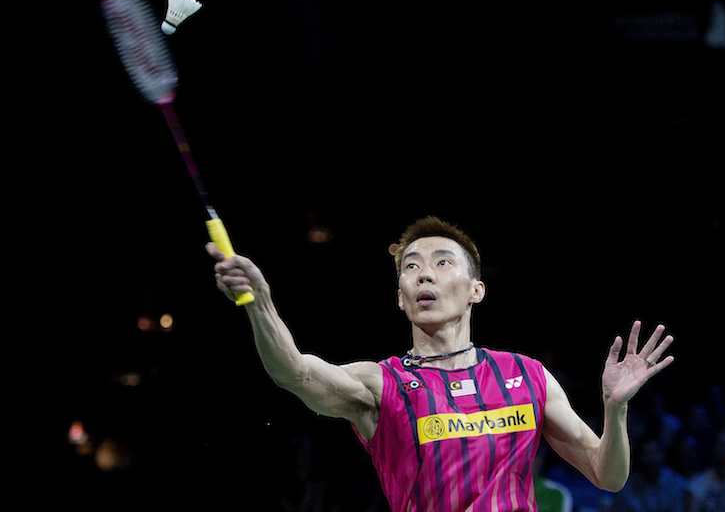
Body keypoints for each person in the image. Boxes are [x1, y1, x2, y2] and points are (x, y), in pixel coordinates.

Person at [208, 216, 675, 511]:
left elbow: (608, 476)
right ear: (400, 298)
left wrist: (615, 411)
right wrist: (260, 304)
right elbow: (295, 371)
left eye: (442, 262)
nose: (424, 273)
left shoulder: (526, 376)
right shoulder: (380, 383)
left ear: (477, 290)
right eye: (411, 267)